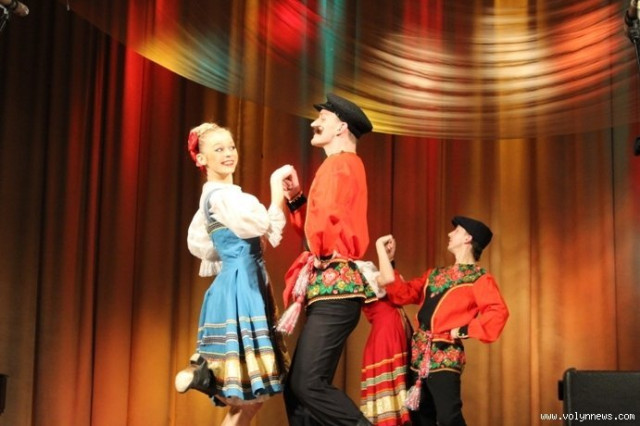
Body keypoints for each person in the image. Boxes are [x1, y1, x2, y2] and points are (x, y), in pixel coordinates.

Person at [174, 122, 291, 426]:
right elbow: (264, 225)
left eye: (231, 147)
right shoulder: (223, 197)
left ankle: (203, 372)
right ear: (202, 159)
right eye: (219, 149)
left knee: (249, 400)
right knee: (248, 387)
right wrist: (276, 187)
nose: (228, 153)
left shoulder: (213, 199)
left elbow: (207, 246)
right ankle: (204, 375)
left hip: (233, 282)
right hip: (243, 288)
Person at [276, 93, 377, 426]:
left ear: (341, 127)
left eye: (323, 118)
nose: (314, 123)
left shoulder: (339, 163)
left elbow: (324, 224)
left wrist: (320, 252)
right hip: (332, 293)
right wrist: (296, 197)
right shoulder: (344, 164)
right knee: (299, 392)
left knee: (307, 384)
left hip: (335, 291)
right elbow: (321, 220)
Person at [375, 216, 509, 426]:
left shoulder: (479, 278)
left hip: (445, 354)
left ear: (468, 238)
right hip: (418, 355)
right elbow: (403, 293)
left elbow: (498, 311)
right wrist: (388, 262)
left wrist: (464, 330)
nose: (449, 234)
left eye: (456, 231)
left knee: (449, 417)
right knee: (420, 418)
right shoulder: (435, 274)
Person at [356, 257, 412, 426]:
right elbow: (389, 279)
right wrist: (380, 246)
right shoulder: (359, 271)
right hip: (386, 337)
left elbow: (395, 284)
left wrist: (389, 258)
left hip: (393, 332)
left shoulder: (366, 271)